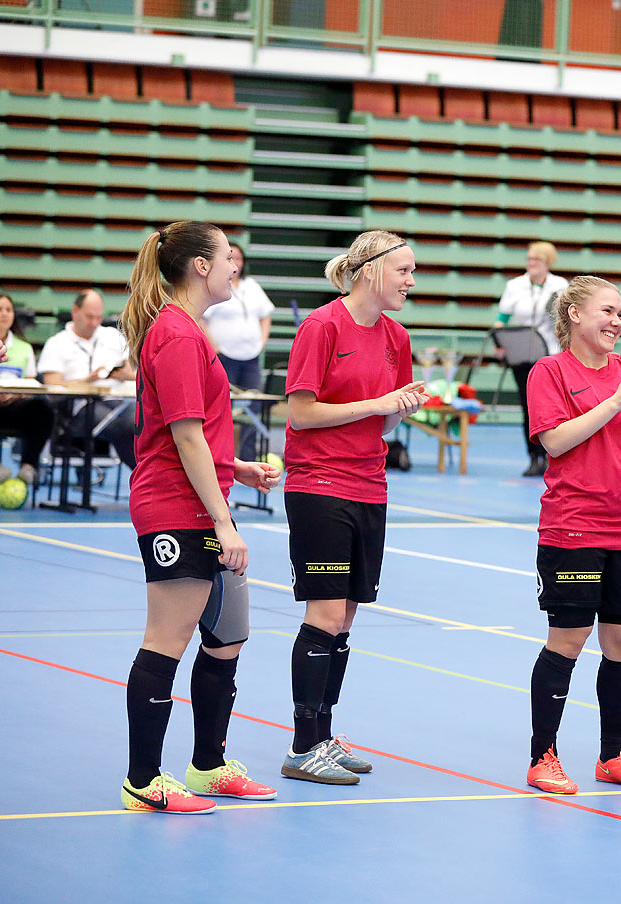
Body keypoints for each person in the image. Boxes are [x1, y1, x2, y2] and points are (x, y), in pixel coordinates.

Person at [117, 221, 282, 814]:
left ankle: (209, 766)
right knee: (168, 639)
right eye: (227, 257)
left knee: (228, 636)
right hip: (174, 506)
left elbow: (190, 435)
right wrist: (224, 521)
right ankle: (143, 780)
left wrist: (234, 467)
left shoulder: (188, 331)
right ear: (200, 267)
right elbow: (182, 437)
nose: (235, 265)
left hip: (202, 496)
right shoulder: (178, 335)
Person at [281, 230, 424, 785]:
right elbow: (301, 414)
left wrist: (397, 412)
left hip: (370, 483)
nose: (411, 281)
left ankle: (322, 733)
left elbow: (381, 417)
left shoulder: (397, 337)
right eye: (403, 271)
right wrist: (378, 403)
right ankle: (301, 745)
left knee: (346, 617)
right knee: (324, 613)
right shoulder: (322, 326)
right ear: (370, 271)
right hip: (319, 483)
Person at [524, 276, 621, 795]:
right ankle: (543, 756)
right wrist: (613, 404)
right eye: (607, 311)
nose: (616, 322)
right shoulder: (550, 371)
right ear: (575, 316)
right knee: (568, 639)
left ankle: (612, 755)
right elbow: (556, 442)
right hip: (573, 525)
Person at [36, 288, 137, 468]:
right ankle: (148, 480)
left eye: (98, 317)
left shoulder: (112, 336)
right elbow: (51, 387)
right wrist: (86, 381)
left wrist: (125, 375)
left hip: (119, 399)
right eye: (89, 317)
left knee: (142, 419)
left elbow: (135, 373)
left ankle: (149, 480)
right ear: (75, 312)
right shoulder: (57, 343)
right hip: (79, 407)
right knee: (126, 426)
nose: (94, 323)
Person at [493, 242, 568, 477]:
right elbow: (501, 319)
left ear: (547, 262)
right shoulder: (514, 286)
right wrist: (499, 344)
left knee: (555, 409)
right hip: (522, 358)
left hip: (551, 356)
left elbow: (565, 321)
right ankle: (533, 457)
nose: (531, 264)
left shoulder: (560, 285)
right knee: (529, 409)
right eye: (529, 259)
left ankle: (552, 456)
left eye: (536, 260)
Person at [0, 293, 54, 487]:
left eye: (8, 310)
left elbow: (30, 383)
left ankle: (28, 466)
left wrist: (17, 394)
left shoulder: (24, 347)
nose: (4, 314)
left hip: (15, 405)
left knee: (43, 410)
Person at [202, 243, 275, 391]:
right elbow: (200, 318)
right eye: (231, 258)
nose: (235, 262)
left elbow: (265, 314)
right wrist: (214, 347)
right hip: (223, 354)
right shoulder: (214, 285)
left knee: (254, 400)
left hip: (251, 354)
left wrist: (262, 341)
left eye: (239, 258)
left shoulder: (251, 285)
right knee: (223, 397)